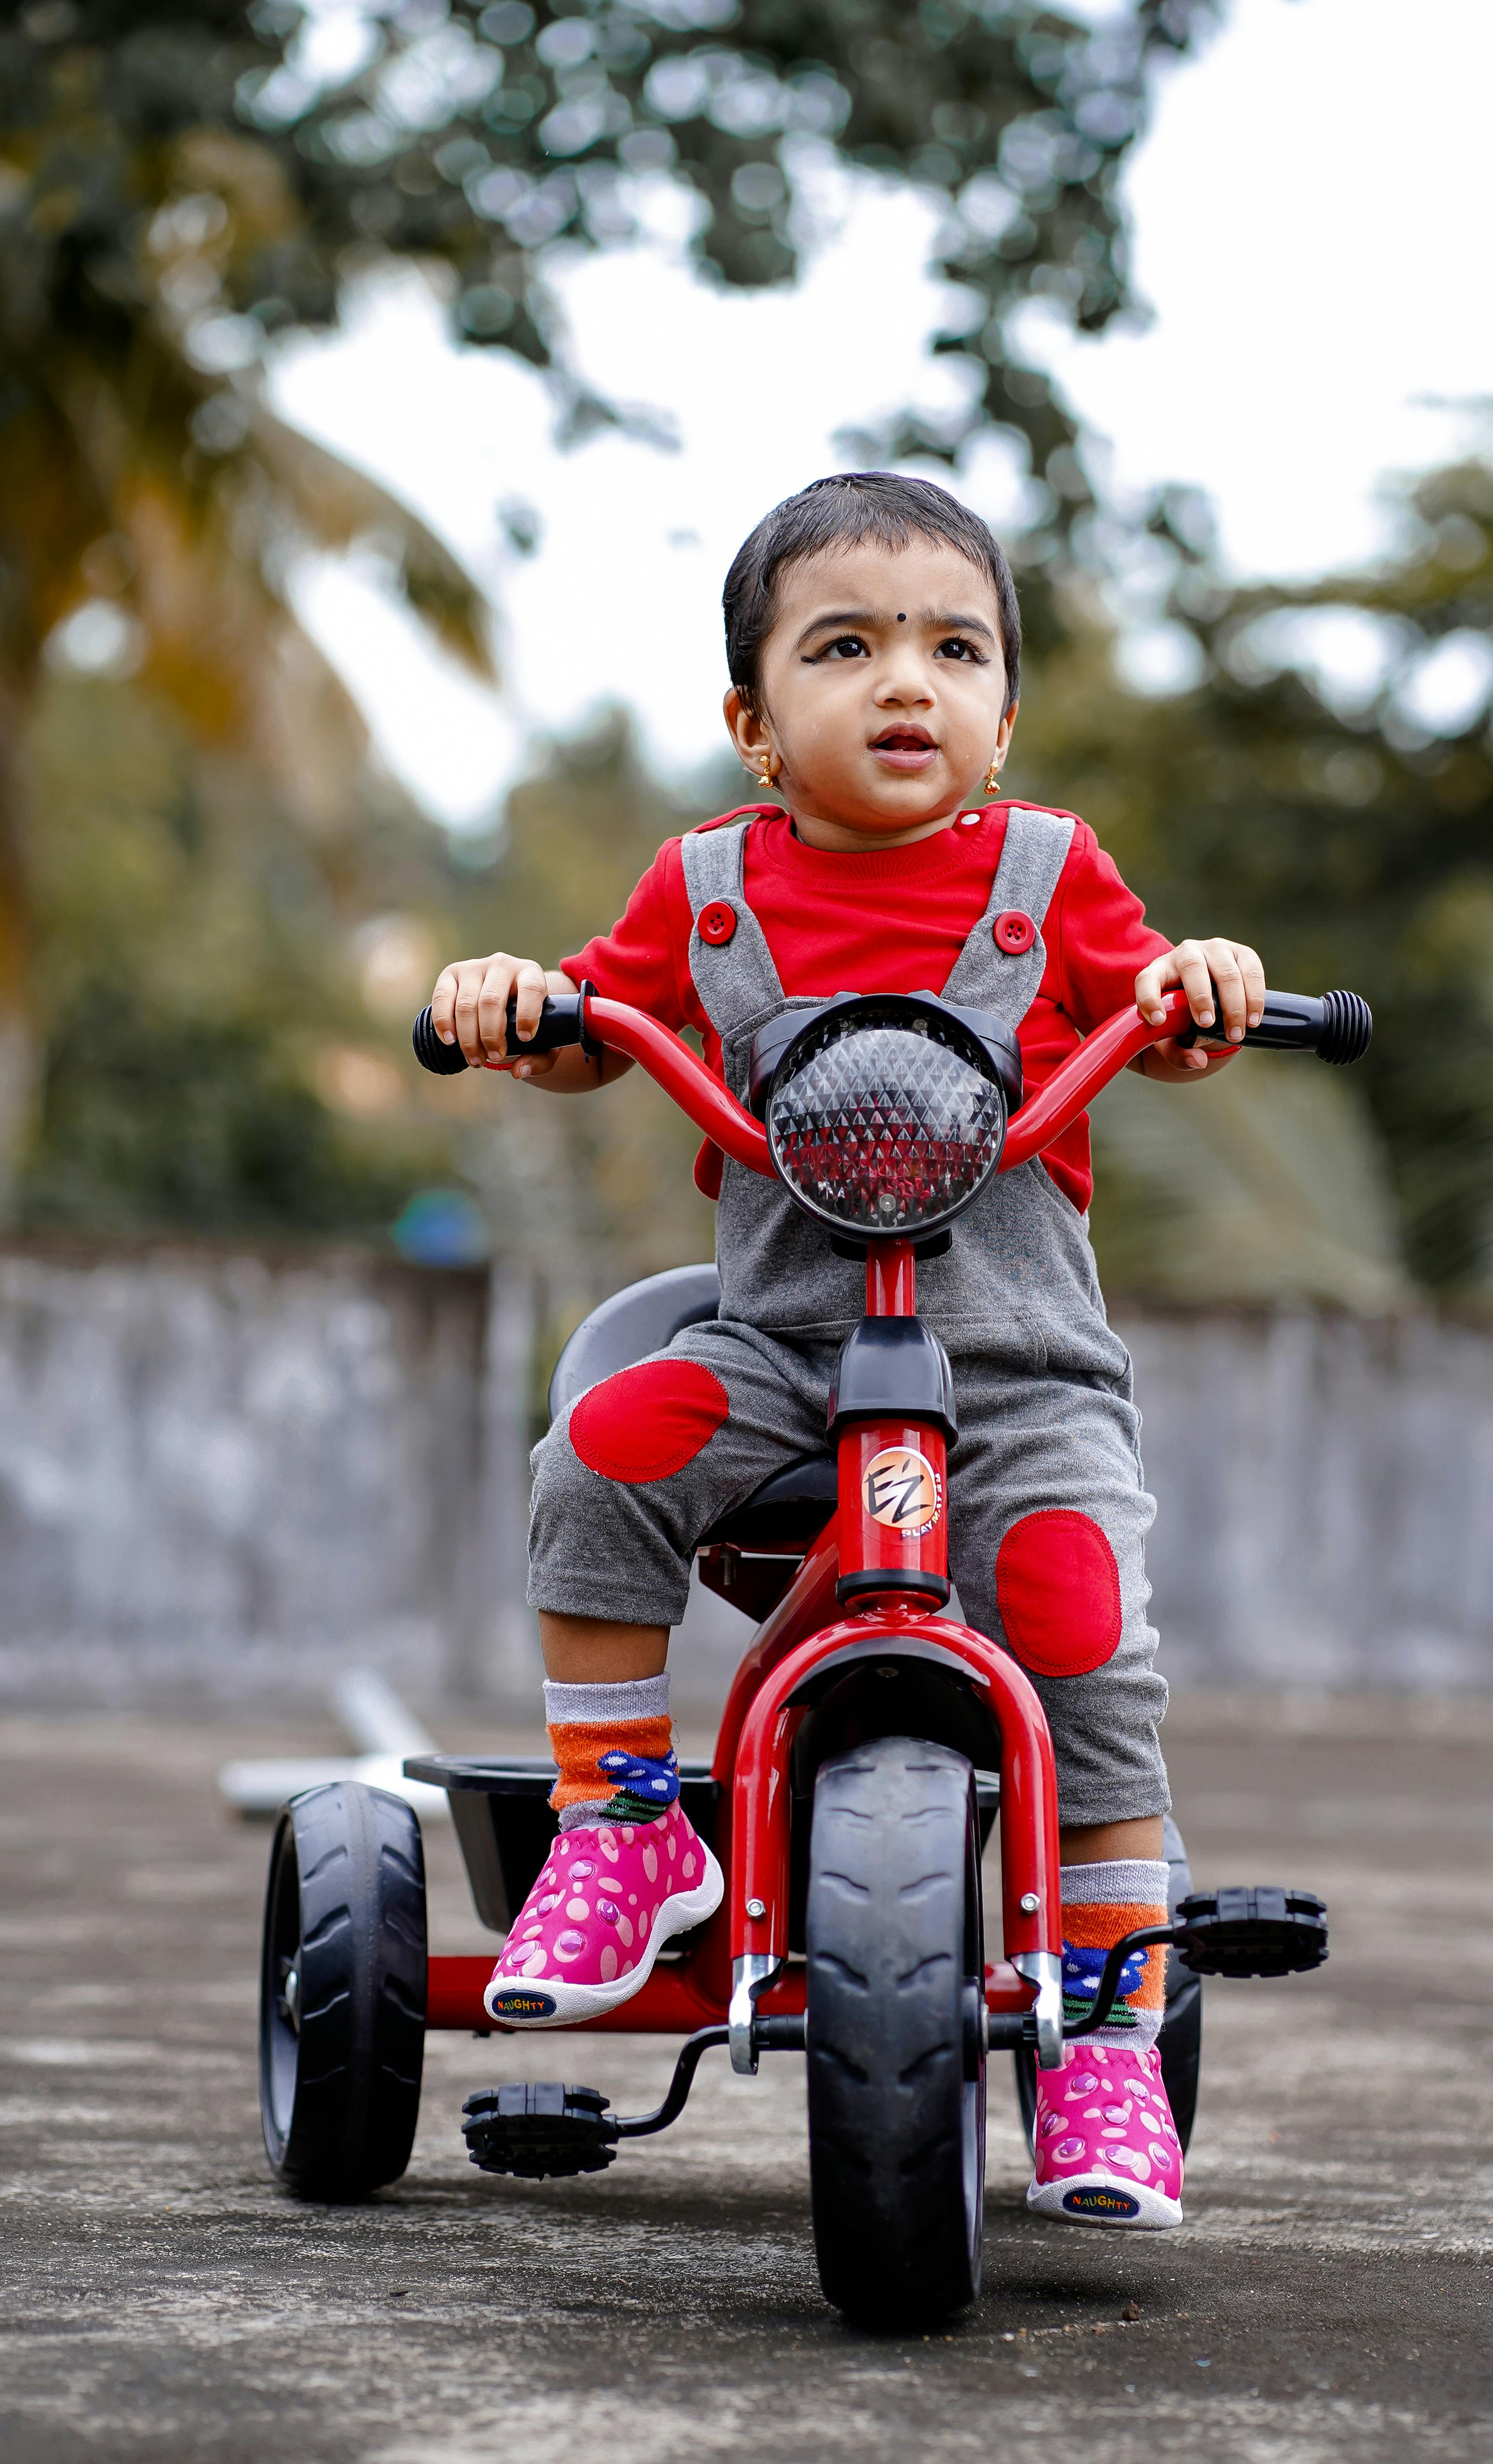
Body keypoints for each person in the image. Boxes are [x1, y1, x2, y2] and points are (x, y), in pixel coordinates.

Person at [429, 472, 1265, 2234]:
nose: (907, 682)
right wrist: (522, 1006)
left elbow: (1158, 1024)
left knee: (1077, 1625)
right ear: (752, 722)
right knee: (600, 1449)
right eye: (846, 646)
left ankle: (1107, 2020)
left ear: (1003, 717)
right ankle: (624, 1816)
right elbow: (603, 1025)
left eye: (953, 649)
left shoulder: (1056, 876)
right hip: (784, 1351)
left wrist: (1200, 984)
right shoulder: (708, 888)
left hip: (1015, 1377)